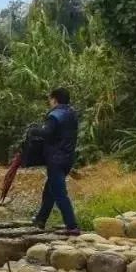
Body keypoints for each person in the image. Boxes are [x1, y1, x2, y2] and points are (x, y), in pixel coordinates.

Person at [33, 87, 80, 235]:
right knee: (50, 190)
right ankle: (40, 219)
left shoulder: (55, 115)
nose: (50, 103)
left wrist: (34, 130)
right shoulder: (72, 114)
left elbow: (47, 133)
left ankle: (72, 226)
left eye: (50, 100)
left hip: (56, 159)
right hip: (68, 158)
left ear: (54, 99)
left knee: (59, 193)